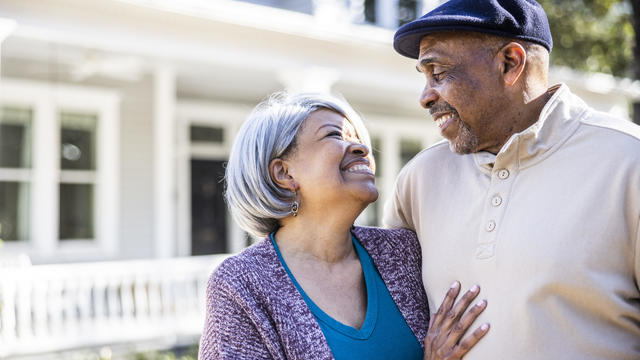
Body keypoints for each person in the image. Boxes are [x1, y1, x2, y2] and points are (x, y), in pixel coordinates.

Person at [386, 0, 640, 359]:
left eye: (438, 72)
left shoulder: (629, 161)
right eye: (423, 77)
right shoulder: (418, 180)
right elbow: (392, 331)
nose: (425, 96)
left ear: (510, 63)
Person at [198, 92, 490, 360]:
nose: (362, 147)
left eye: (359, 137)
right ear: (283, 173)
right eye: (335, 135)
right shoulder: (240, 285)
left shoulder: (403, 253)